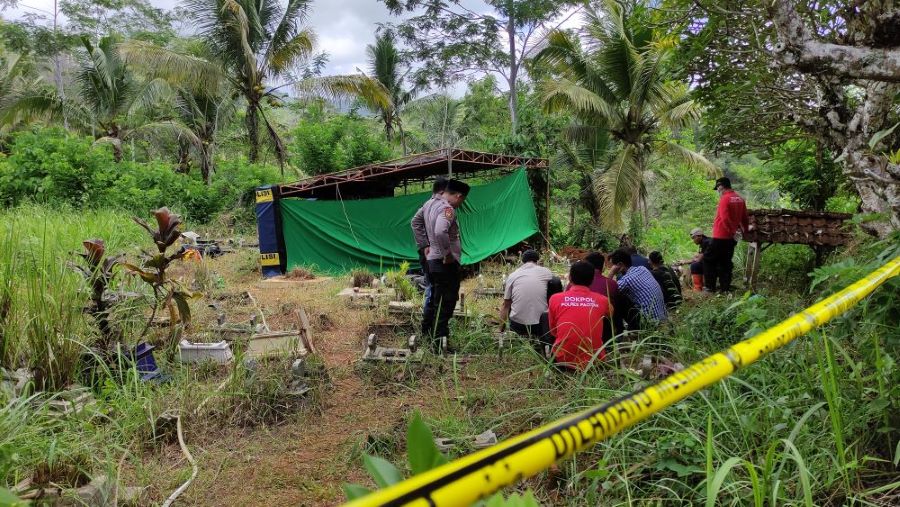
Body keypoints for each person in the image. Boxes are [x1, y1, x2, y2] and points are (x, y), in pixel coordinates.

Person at [421, 178, 470, 350]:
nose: (460, 204)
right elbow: (440, 231)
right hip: (443, 264)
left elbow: (417, 222)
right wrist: (447, 254)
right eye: (461, 200)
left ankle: (430, 335)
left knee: (437, 300)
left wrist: (425, 245)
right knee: (446, 302)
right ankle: (439, 343)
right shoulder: (447, 208)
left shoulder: (429, 205)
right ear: (458, 195)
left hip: (432, 261)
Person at [547, 261, 612, 369]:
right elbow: (611, 315)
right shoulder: (603, 300)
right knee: (605, 318)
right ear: (592, 280)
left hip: (562, 359)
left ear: (570, 278)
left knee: (546, 317)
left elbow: (553, 331)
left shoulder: (555, 298)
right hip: (594, 360)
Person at [499, 250, 554, 349]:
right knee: (555, 283)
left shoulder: (513, 275)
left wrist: (500, 331)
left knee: (510, 302)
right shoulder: (546, 272)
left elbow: (506, 306)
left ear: (522, 261)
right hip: (540, 325)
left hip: (518, 325)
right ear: (537, 261)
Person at [705, 177, 749, 292]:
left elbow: (725, 218)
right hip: (731, 239)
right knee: (726, 263)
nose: (718, 191)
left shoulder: (725, 199)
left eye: (718, 188)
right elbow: (745, 218)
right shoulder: (740, 199)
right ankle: (725, 288)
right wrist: (745, 232)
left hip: (720, 236)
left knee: (708, 260)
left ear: (721, 186)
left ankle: (710, 287)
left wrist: (731, 231)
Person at [410, 177, 448, 307]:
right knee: (432, 288)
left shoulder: (435, 205)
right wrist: (425, 245)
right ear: (443, 191)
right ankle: (430, 322)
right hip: (431, 255)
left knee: (435, 288)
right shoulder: (429, 205)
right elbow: (415, 222)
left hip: (434, 254)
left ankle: (434, 320)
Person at [608, 249, 667, 329]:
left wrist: (611, 273)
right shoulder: (643, 269)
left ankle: (619, 332)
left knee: (617, 298)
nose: (611, 268)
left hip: (649, 323)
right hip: (662, 318)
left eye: (612, 266)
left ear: (620, 265)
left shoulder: (627, 280)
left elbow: (607, 292)